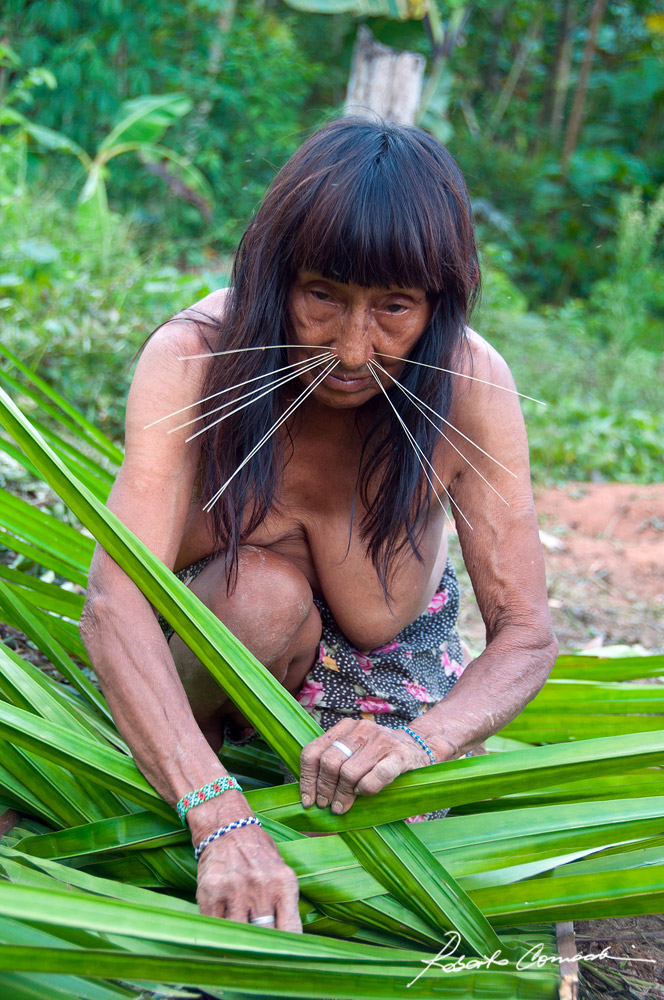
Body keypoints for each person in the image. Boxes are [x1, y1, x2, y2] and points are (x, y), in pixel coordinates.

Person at [80, 116, 557, 934]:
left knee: (378, 885)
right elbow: (112, 603)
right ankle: (193, 804)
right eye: (323, 296)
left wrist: (421, 742)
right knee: (253, 592)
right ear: (278, 275)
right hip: (203, 693)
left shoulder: (467, 386)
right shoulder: (199, 358)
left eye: (395, 308)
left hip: (383, 700)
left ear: (438, 303)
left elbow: (526, 633)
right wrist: (219, 815)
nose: (352, 349)